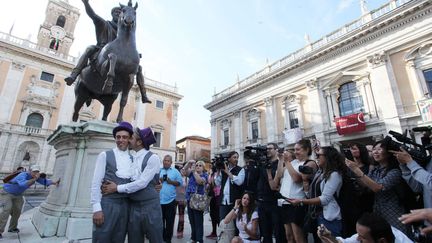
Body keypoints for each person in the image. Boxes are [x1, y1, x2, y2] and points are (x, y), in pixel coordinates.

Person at [102, 127, 163, 243]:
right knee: (134, 239)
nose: (128, 140)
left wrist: (117, 188)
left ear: (139, 142)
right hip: (133, 206)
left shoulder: (153, 158)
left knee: (156, 238)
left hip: (150, 206)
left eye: (131, 138)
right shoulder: (131, 158)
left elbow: (142, 183)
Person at [345, 139, 410, 236]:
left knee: (398, 236)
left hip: (393, 211)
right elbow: (366, 185)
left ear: (388, 153)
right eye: (374, 149)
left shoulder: (395, 171)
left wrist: (357, 169)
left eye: (380, 149)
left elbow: (377, 187)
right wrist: (354, 170)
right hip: (378, 210)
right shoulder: (375, 169)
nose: (375, 152)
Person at [90, 121, 134, 243]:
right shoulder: (105, 155)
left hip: (126, 205)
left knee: (119, 238)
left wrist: (157, 185)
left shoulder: (133, 159)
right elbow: (96, 182)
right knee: (102, 237)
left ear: (130, 139)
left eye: (124, 137)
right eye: (118, 137)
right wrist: (96, 208)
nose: (121, 140)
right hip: (108, 204)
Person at [289, 146, 345, 237]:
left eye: (319, 155)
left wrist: (301, 201)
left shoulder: (334, 174)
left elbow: (325, 199)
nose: (316, 158)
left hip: (330, 217)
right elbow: (310, 194)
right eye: (316, 155)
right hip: (317, 215)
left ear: (327, 157)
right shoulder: (320, 173)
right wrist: (305, 181)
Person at [65, 0, 121, 85]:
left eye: (120, 13)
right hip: (101, 49)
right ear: (112, 14)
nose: (118, 14)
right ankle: (73, 75)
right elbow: (93, 15)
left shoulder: (124, 33)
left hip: (118, 54)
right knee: (89, 49)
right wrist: (86, 3)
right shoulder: (104, 24)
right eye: (116, 12)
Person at [0, 164, 60, 238]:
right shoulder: (23, 175)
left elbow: (45, 181)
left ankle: (12, 228)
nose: (36, 173)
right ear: (30, 171)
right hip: (6, 193)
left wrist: (55, 182)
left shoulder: (34, 177)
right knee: (6, 210)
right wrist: (34, 179)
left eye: (37, 171)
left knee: (17, 210)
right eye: (34, 171)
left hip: (18, 194)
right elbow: (23, 184)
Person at [270, 148, 307, 243]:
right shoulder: (285, 165)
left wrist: (285, 161)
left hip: (296, 202)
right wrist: (281, 160)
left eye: (286, 153)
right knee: (288, 235)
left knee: (298, 236)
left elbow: (296, 179)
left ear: (292, 155)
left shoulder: (299, 164)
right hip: (284, 202)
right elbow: (279, 175)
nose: (284, 153)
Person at [256, 142, 286, 243]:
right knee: (265, 231)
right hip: (261, 201)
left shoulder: (280, 164)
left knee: (278, 231)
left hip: (274, 201)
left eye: (270, 148)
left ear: (276, 150)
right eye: (266, 149)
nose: (267, 150)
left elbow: (277, 178)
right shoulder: (263, 164)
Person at [318, 212, 412, 243]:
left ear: (382, 241)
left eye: (362, 237)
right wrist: (329, 237)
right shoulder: (364, 235)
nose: (357, 239)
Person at [181, 160, 208, 243]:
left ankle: (199, 240)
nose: (198, 166)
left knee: (198, 221)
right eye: (197, 165)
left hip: (198, 201)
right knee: (192, 220)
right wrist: (188, 163)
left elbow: (199, 181)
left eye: (200, 165)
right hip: (190, 199)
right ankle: (193, 238)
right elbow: (183, 172)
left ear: (203, 168)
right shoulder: (192, 174)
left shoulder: (205, 175)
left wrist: (194, 172)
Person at [215, 151, 245, 223]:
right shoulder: (222, 170)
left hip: (234, 201)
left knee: (234, 223)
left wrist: (228, 172)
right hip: (223, 200)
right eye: (234, 157)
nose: (236, 159)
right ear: (229, 159)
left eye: (237, 157)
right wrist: (218, 172)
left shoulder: (240, 170)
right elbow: (217, 183)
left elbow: (239, 182)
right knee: (223, 222)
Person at [159, 155, 183, 243]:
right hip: (159, 201)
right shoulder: (158, 171)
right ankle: (161, 238)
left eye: (168, 161)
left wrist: (171, 182)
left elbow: (180, 183)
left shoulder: (175, 172)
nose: (166, 162)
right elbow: (152, 182)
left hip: (171, 201)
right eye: (165, 160)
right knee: (160, 222)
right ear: (163, 161)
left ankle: (168, 240)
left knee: (170, 222)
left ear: (171, 162)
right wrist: (159, 180)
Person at [207, 165, 221, 239]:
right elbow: (209, 183)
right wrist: (211, 174)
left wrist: (217, 173)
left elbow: (217, 183)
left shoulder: (220, 174)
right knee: (212, 215)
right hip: (212, 196)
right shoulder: (211, 174)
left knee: (218, 215)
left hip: (218, 196)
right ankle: (214, 232)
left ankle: (219, 233)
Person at [175, 163, 187, 239]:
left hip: (182, 199)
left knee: (181, 218)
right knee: (171, 216)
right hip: (173, 198)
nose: (183, 171)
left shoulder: (187, 179)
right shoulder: (176, 177)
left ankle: (180, 232)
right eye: (182, 169)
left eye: (184, 170)